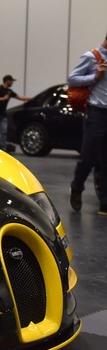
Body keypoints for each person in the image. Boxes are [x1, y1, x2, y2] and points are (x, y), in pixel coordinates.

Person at [68, 33, 107, 215]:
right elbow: (72, 79)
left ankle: (105, 202)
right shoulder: (91, 57)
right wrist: (95, 76)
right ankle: (77, 187)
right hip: (96, 112)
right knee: (88, 157)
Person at [0, 75, 30, 153]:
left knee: (4, 131)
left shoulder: (9, 92)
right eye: (11, 81)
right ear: (7, 81)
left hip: (2, 114)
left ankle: (3, 149)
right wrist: (2, 99)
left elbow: (20, 97)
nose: (12, 82)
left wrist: (32, 98)